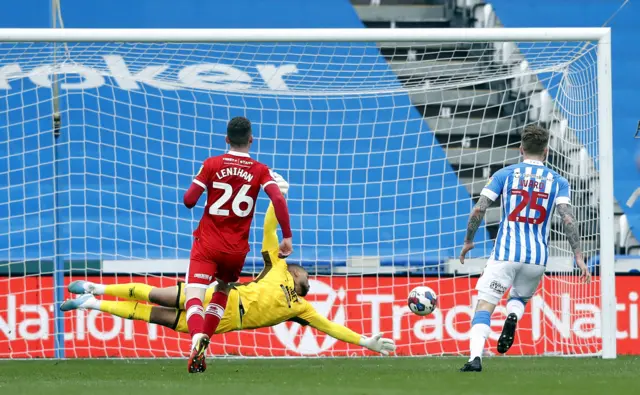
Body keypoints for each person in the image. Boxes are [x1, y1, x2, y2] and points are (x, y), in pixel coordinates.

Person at [60, 201, 395, 357]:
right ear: (294, 271)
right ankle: (97, 286)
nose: (310, 273)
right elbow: (268, 229)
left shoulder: (302, 308)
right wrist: (278, 197)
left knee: (159, 317)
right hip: (217, 298)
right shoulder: (278, 267)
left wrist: (364, 341)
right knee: (160, 297)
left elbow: (331, 327)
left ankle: (91, 303)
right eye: (305, 269)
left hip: (218, 325)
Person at [458, 124, 591, 372]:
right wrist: (579, 256)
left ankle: (474, 359)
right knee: (519, 298)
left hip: (506, 253)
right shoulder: (558, 181)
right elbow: (568, 218)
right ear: (547, 152)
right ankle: (514, 316)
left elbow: (479, 208)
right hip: (537, 258)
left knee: (485, 304)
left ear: (521, 149)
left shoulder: (505, 174)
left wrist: (468, 240)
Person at [182, 116, 293, 372]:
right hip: (235, 250)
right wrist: (287, 236)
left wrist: (205, 182)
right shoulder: (260, 170)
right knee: (222, 289)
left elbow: (189, 200)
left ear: (226, 139)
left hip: (207, 244)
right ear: (251, 140)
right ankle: (203, 347)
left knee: (195, 295)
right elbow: (277, 197)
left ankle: (197, 338)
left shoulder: (211, 164)